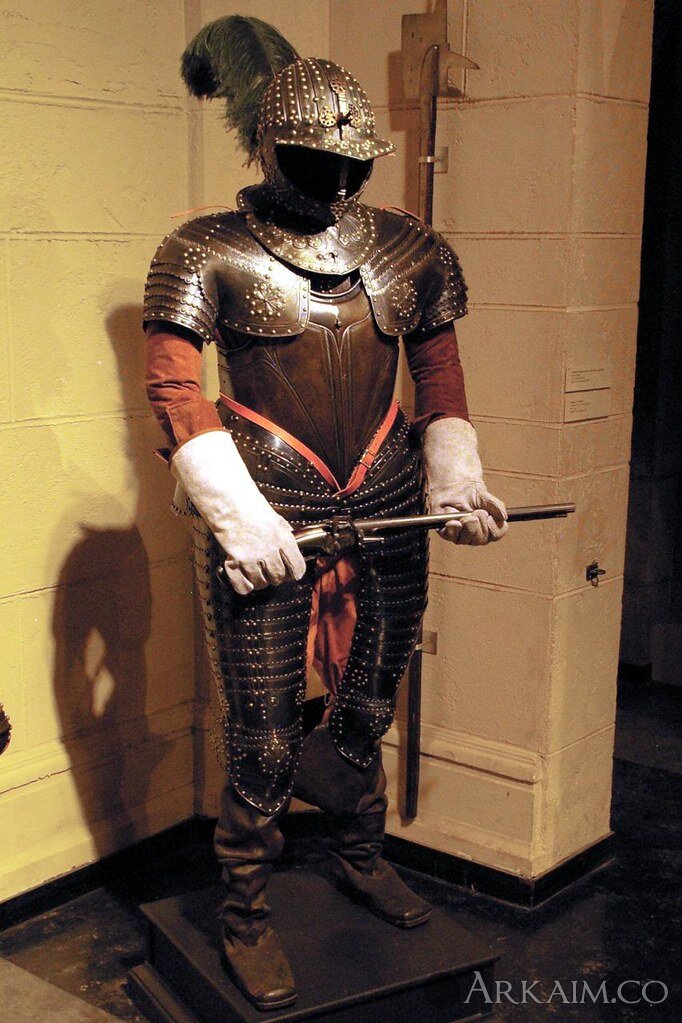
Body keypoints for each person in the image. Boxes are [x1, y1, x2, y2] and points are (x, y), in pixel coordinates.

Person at [143, 15, 508, 1011]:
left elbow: (439, 376)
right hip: (266, 496)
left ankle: (360, 853)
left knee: (371, 697)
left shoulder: (408, 249)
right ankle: (244, 912)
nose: (337, 180)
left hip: (387, 489)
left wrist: (455, 479)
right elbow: (176, 393)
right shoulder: (203, 250)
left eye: (351, 161)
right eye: (317, 159)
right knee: (265, 729)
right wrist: (235, 515)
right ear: (271, 144)